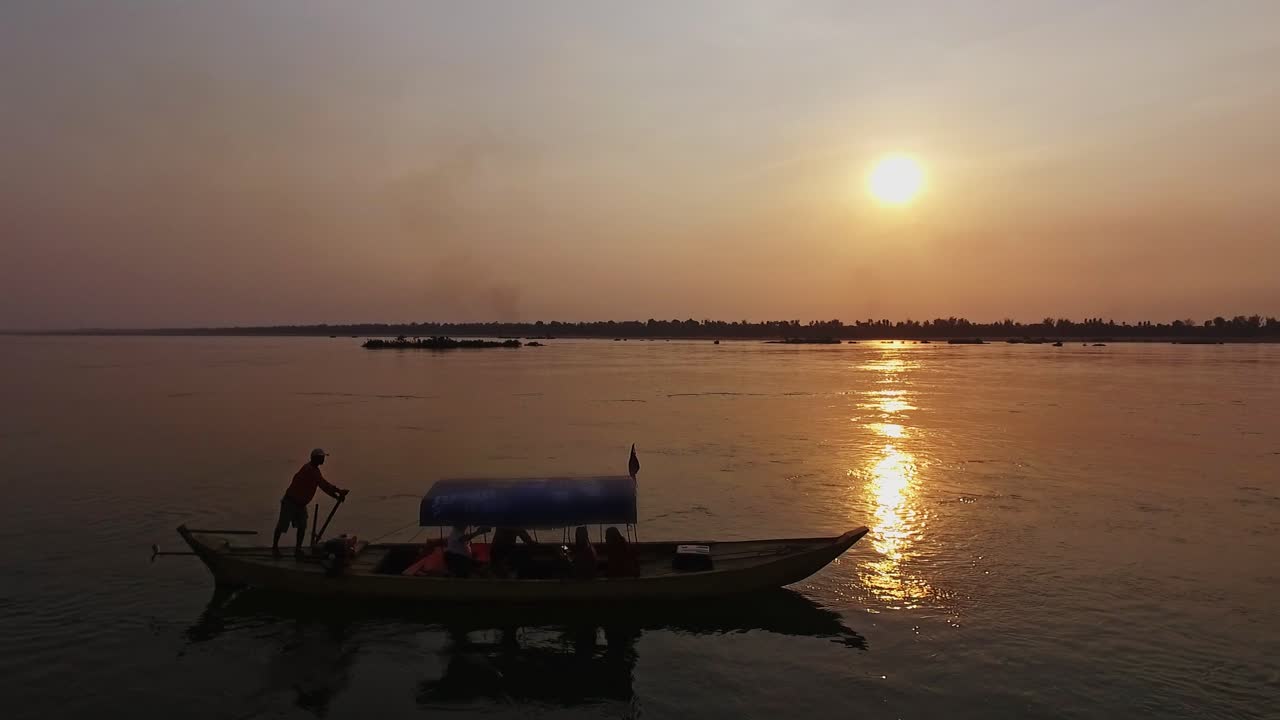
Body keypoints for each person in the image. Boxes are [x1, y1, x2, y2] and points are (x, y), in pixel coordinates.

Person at [273, 448, 349, 559]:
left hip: (301, 504)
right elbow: (323, 484)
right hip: (290, 502)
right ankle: (275, 548)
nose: (323, 459)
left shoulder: (315, 470)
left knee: (302, 526)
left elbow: (323, 486)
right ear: (316, 458)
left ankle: (298, 550)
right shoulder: (309, 469)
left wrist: (336, 496)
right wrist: (338, 492)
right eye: (322, 457)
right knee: (282, 525)